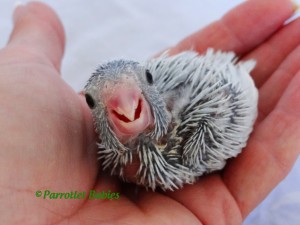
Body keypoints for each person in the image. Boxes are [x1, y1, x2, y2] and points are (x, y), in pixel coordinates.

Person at [0, 0, 299, 224]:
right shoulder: (104, 151)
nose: (125, 106)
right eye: (96, 102)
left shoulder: (198, 141)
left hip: (227, 86)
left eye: (137, 90)